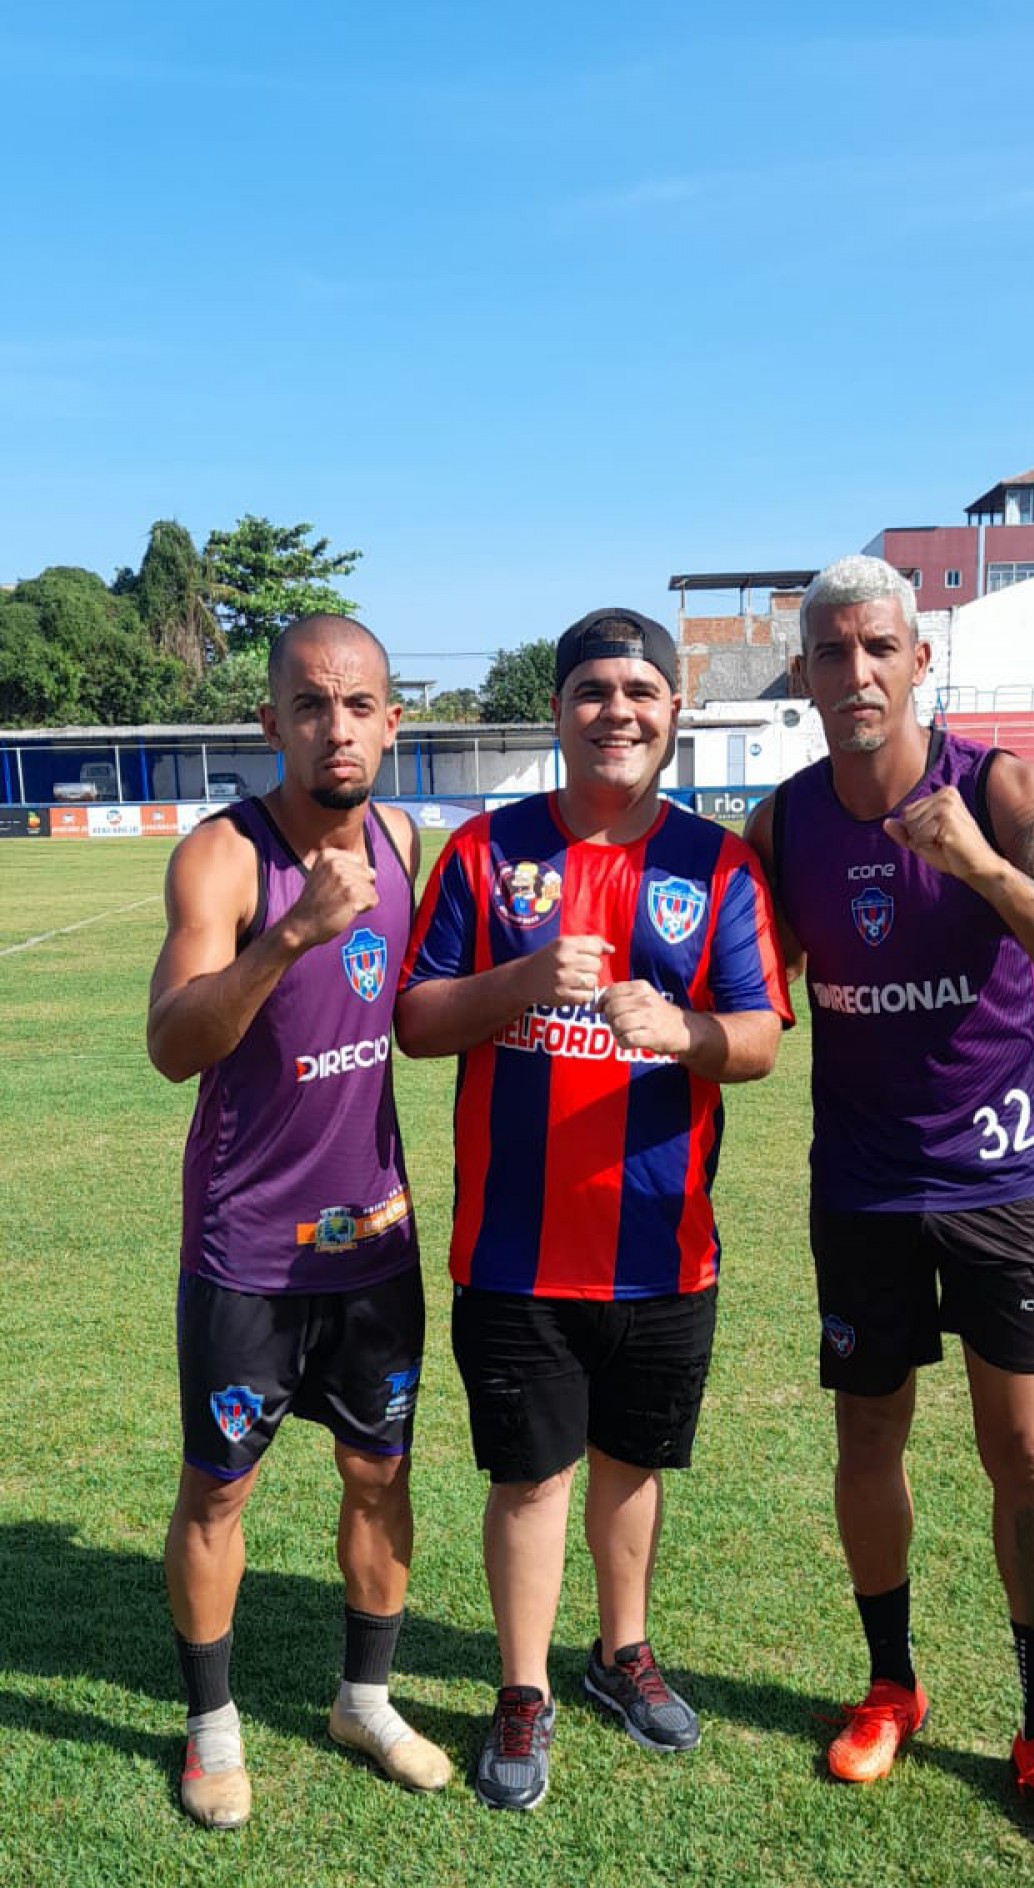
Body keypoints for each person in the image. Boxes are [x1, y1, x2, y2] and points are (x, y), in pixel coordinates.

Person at [745, 555, 1034, 1856]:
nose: (855, 673)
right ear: (802, 677)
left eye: (877, 649)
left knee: (1023, 1455)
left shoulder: (1004, 792)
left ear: (920, 662)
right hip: (861, 1196)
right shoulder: (784, 825)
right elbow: (756, 997)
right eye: (830, 654)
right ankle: (892, 1684)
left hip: (1003, 1184)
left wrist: (978, 866)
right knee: (869, 1447)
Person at [394, 609, 791, 1811]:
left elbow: (763, 1034)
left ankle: (621, 1654)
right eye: (590, 691)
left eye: (640, 690)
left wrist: (687, 1032)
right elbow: (416, 1021)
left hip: (665, 1250)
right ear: (558, 712)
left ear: (674, 712)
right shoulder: (483, 850)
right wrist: (521, 981)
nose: (616, 710)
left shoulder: (717, 866)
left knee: (633, 1466)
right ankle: (524, 1691)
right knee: (529, 1481)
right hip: (516, 1252)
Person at [147, 614, 451, 1829]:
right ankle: (212, 1729)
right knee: (219, 1490)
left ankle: (362, 1699)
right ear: (270, 720)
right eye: (311, 705)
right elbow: (174, 1046)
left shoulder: (403, 834)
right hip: (249, 1255)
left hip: (375, 1243)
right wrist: (289, 937)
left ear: (393, 721)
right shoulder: (224, 859)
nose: (338, 726)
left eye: (360, 703)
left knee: (379, 1473)